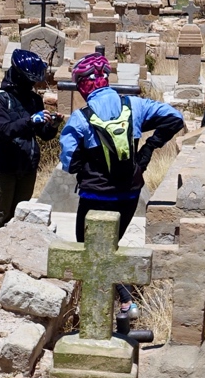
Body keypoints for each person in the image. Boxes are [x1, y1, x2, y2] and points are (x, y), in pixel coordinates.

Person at [58, 52, 185, 242]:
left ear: (82, 85)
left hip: (95, 195)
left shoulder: (80, 118)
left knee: (86, 251)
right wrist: (148, 148)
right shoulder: (134, 105)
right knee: (112, 246)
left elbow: (70, 165)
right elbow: (176, 118)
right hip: (129, 194)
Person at [0, 48, 60, 226]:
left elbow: (43, 134)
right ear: (19, 76)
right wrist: (30, 120)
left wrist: (52, 126)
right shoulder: (0, 100)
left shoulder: (33, 100)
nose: (32, 85)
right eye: (30, 80)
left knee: (21, 217)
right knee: (1, 216)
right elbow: (4, 130)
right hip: (5, 168)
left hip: (27, 166)